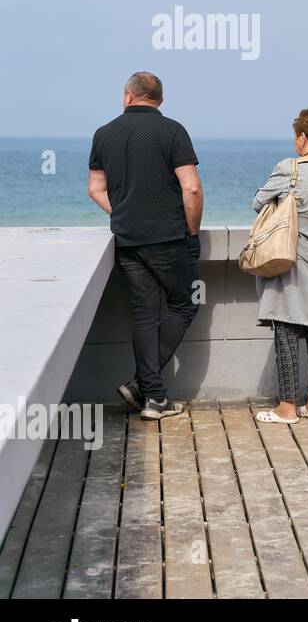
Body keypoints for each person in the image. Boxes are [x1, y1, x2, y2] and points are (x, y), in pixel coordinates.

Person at [87, 72, 202, 420]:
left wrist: (122, 213)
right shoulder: (173, 131)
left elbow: (95, 188)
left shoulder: (103, 134)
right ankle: (146, 390)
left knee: (144, 316)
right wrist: (192, 233)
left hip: (127, 239)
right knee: (184, 305)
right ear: (160, 100)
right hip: (169, 238)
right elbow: (192, 188)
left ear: (128, 96)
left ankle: (152, 394)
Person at [252, 107, 308, 425]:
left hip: (291, 257)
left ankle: (287, 407)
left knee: (286, 327)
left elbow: (257, 202)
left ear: (302, 137)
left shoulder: (289, 168)